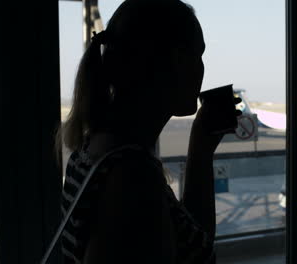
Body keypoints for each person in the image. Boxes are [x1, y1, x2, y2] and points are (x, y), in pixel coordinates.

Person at [57, 0, 240, 263]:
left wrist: (200, 148)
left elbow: (191, 238)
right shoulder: (133, 178)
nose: (202, 68)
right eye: (198, 55)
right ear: (177, 61)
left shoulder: (97, 150)